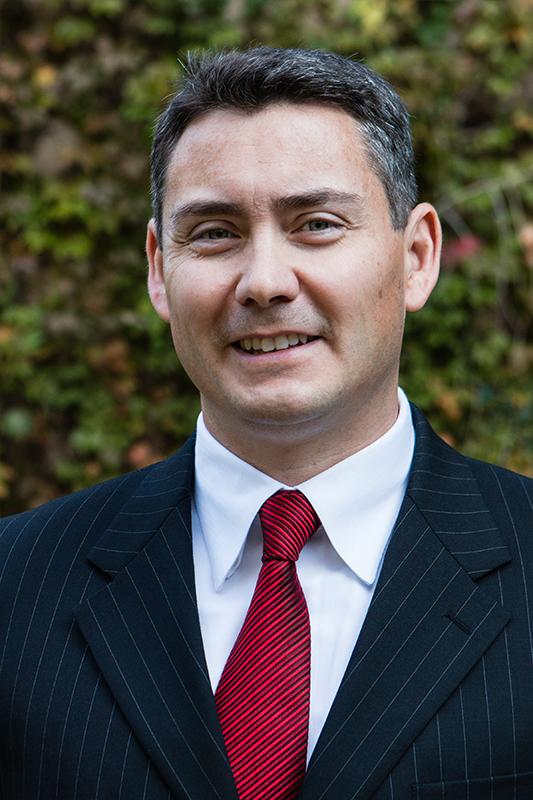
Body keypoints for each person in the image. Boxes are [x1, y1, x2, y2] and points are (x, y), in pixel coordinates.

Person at [0, 47, 532, 800]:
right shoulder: (14, 584)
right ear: (159, 269)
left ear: (416, 257)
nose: (264, 283)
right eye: (214, 233)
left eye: (315, 224)